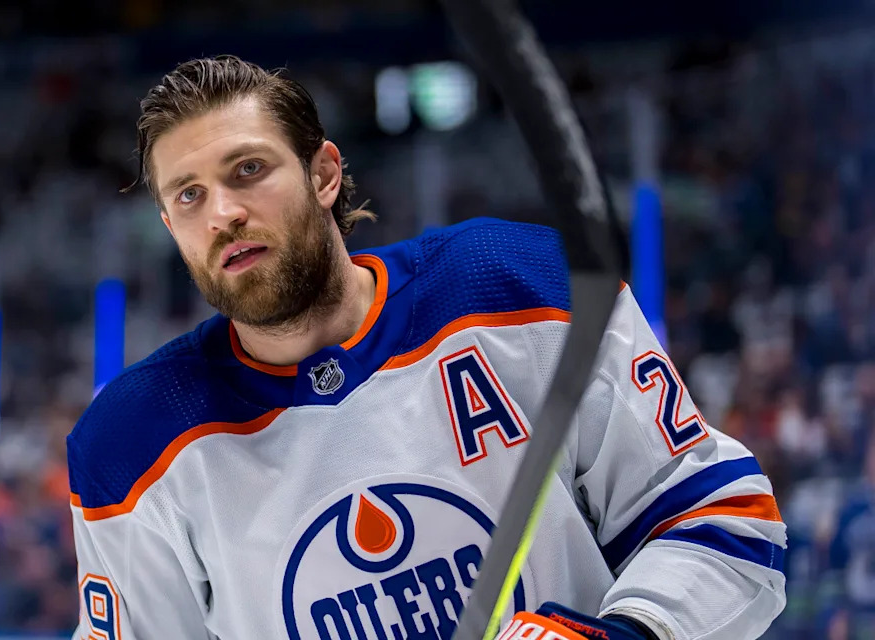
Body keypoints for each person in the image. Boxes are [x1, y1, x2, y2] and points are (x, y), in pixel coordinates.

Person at [68, 55, 787, 640]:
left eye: (248, 170)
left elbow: (725, 523)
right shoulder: (132, 445)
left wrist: (620, 635)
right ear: (170, 225)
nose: (223, 212)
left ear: (323, 174)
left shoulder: (518, 288)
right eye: (189, 196)